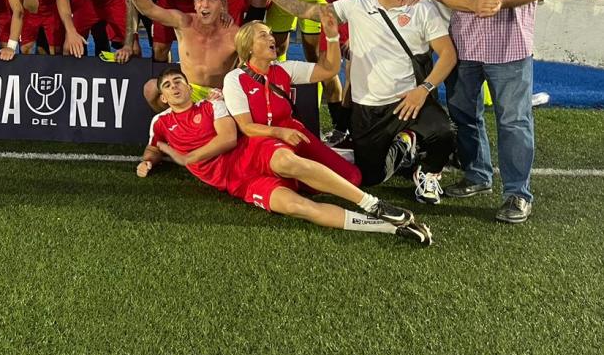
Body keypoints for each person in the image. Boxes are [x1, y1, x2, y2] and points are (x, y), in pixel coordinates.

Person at [248, 0, 457, 204]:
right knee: (370, 176)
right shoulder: (356, 6)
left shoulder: (422, 10)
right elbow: (308, 11)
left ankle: (428, 174)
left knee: (444, 132)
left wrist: (423, 89)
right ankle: (406, 141)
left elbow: (447, 54)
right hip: (368, 106)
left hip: (408, 99)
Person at [139, 66, 431, 245]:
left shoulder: (212, 106)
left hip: (250, 154)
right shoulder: (160, 123)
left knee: (286, 161)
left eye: (178, 81)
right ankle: (390, 228)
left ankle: (373, 204)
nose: (175, 87)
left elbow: (228, 139)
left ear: (189, 86)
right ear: (162, 98)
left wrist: (188, 158)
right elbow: (153, 146)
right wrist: (147, 161)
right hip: (239, 184)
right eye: (168, 85)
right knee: (297, 207)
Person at [432, 0, 563, 224]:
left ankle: (517, 193)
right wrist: (475, 4)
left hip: (511, 48)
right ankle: (477, 175)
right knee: (464, 114)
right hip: (465, 46)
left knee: (515, 121)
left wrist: (502, 2)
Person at [220, 17, 425, 228]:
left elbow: (329, 70)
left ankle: (398, 147)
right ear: (248, 47)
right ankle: (370, 203)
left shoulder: (284, 69)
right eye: (263, 35)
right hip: (262, 141)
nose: (272, 38)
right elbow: (246, 127)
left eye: (271, 33)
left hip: (294, 133)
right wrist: (279, 133)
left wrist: (333, 37)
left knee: (353, 177)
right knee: (290, 171)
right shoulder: (234, 79)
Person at [272, 0, 362, 141]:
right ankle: (339, 129)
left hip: (358, 10)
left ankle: (347, 128)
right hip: (332, 14)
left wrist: (359, 29)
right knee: (327, 70)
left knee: (355, 74)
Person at [120, 0, 238, 112]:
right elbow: (152, 10)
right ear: (194, 4)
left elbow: (247, 70)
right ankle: (172, 120)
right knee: (151, 88)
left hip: (219, 95)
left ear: (223, 4)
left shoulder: (235, 34)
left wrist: (229, 93)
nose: (205, 4)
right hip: (188, 90)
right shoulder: (184, 22)